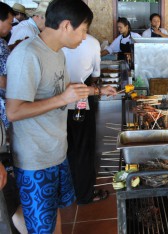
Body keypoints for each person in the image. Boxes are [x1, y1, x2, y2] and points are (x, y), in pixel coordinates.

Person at [6, 0, 93, 233]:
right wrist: (63, 99)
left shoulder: (56, 53)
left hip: (55, 150)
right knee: (42, 224)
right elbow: (13, 111)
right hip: (35, 158)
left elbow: (59, 92)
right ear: (66, 25)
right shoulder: (27, 54)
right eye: (83, 30)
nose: (84, 37)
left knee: (50, 214)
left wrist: (95, 91)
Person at [63, 34, 116, 204]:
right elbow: (94, 77)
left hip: (57, 107)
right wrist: (98, 90)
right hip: (80, 103)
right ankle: (85, 194)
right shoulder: (91, 42)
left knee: (67, 148)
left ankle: (68, 192)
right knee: (84, 149)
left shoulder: (52, 42)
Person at [0, 3, 27, 233]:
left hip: (5, 119)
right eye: (9, 21)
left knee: (10, 196)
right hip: (5, 113)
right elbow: (3, 81)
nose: (11, 26)